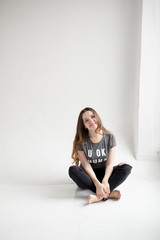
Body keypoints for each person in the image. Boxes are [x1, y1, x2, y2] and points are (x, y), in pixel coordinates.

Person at [68, 107, 132, 204]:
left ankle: (98, 197)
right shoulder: (81, 141)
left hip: (104, 173)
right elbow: (86, 165)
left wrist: (105, 180)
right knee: (73, 170)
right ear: (84, 125)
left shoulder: (110, 138)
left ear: (97, 117)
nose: (91, 121)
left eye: (92, 117)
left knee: (126, 168)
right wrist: (97, 183)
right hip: (88, 176)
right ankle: (108, 194)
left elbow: (109, 164)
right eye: (86, 120)